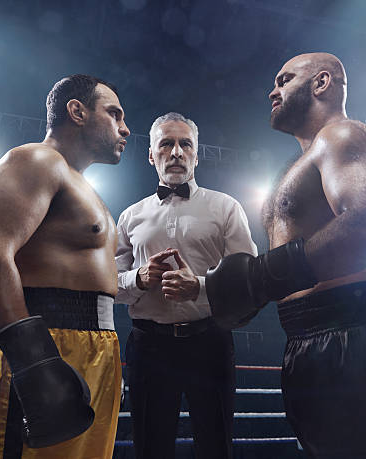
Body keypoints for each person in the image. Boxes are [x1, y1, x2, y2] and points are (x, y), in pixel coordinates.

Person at [206, 53, 366, 458]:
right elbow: (275, 269)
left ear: (321, 83)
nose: (274, 90)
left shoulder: (344, 136)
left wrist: (261, 279)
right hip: (304, 340)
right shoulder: (302, 161)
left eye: (285, 79)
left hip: (348, 337)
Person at [0, 74, 130, 459]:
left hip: (98, 349)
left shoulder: (81, 184)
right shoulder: (36, 159)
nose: (125, 128)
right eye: (114, 114)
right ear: (77, 111)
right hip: (47, 345)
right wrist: (36, 363)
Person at [115, 112, 257, 459]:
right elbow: (108, 283)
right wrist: (139, 277)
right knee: (151, 446)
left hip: (209, 340)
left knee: (215, 445)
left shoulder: (226, 207)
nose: (176, 152)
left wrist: (201, 288)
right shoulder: (131, 216)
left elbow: (250, 280)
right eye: (166, 144)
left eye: (185, 144)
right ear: (151, 155)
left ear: (196, 154)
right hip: (149, 346)